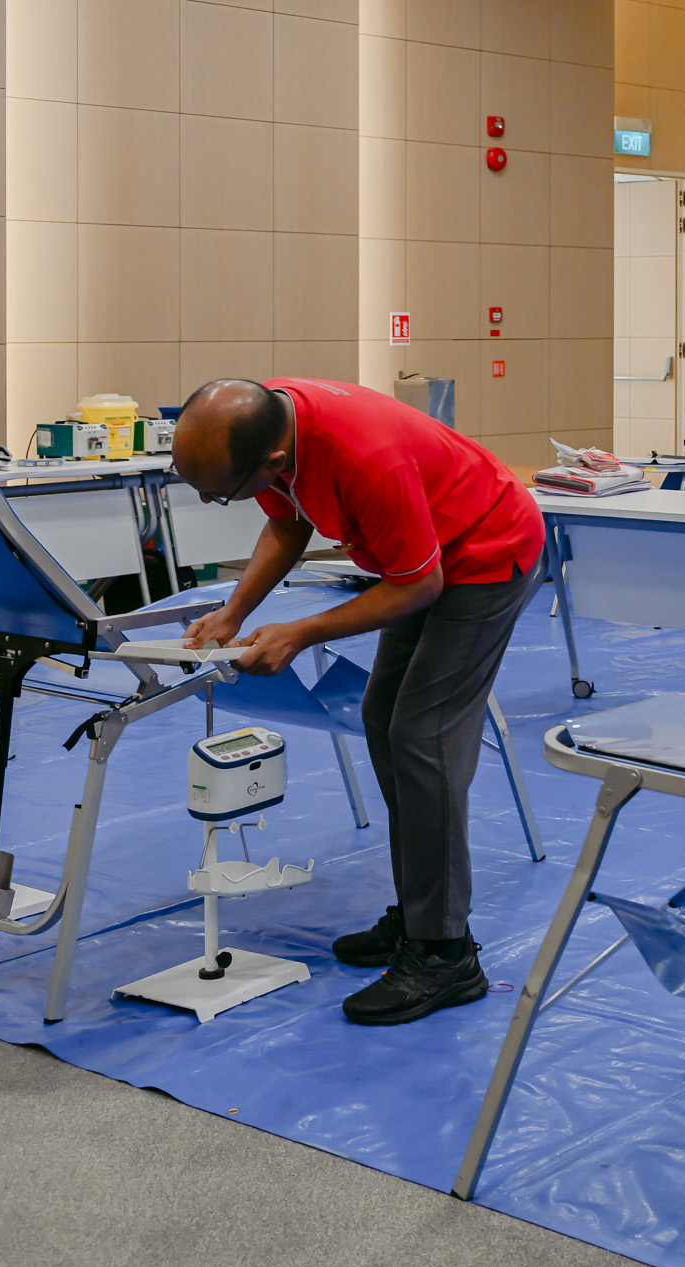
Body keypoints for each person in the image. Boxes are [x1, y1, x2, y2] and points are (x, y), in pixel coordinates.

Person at [171, 377, 546, 1024]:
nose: (212, 501)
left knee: (424, 735)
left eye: (220, 494)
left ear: (274, 460)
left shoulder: (364, 458)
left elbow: (419, 585)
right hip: (426, 555)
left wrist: (300, 632)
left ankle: (444, 952)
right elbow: (287, 522)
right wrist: (235, 612)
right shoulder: (269, 424)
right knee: (383, 716)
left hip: (485, 552)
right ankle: (421, 911)